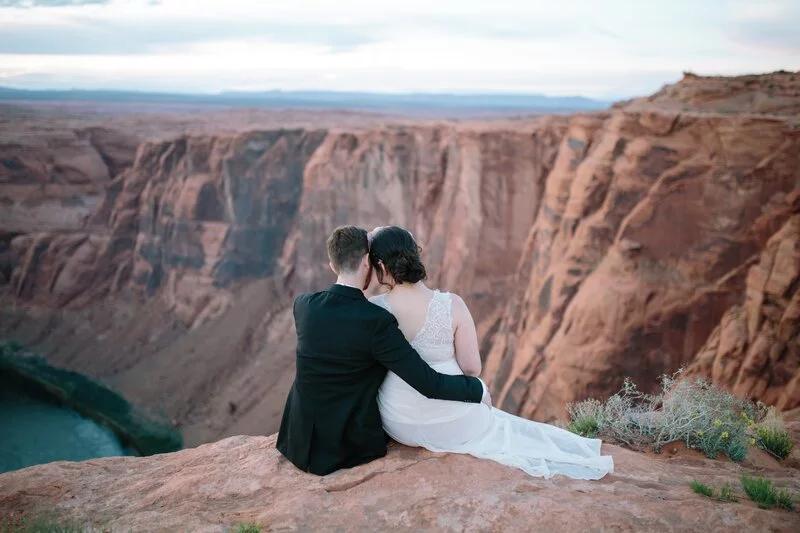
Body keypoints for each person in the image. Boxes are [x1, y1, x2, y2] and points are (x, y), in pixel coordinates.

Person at [368, 225, 614, 480]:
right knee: (505, 429)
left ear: (382, 267)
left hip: (399, 421)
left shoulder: (372, 310)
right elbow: (472, 369)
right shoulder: (451, 305)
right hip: (454, 421)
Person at [276, 225, 491, 475]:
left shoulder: (303, 305)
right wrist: (478, 389)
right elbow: (428, 382)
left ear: (332, 265)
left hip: (297, 438)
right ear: (368, 261)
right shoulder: (375, 320)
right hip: (344, 447)